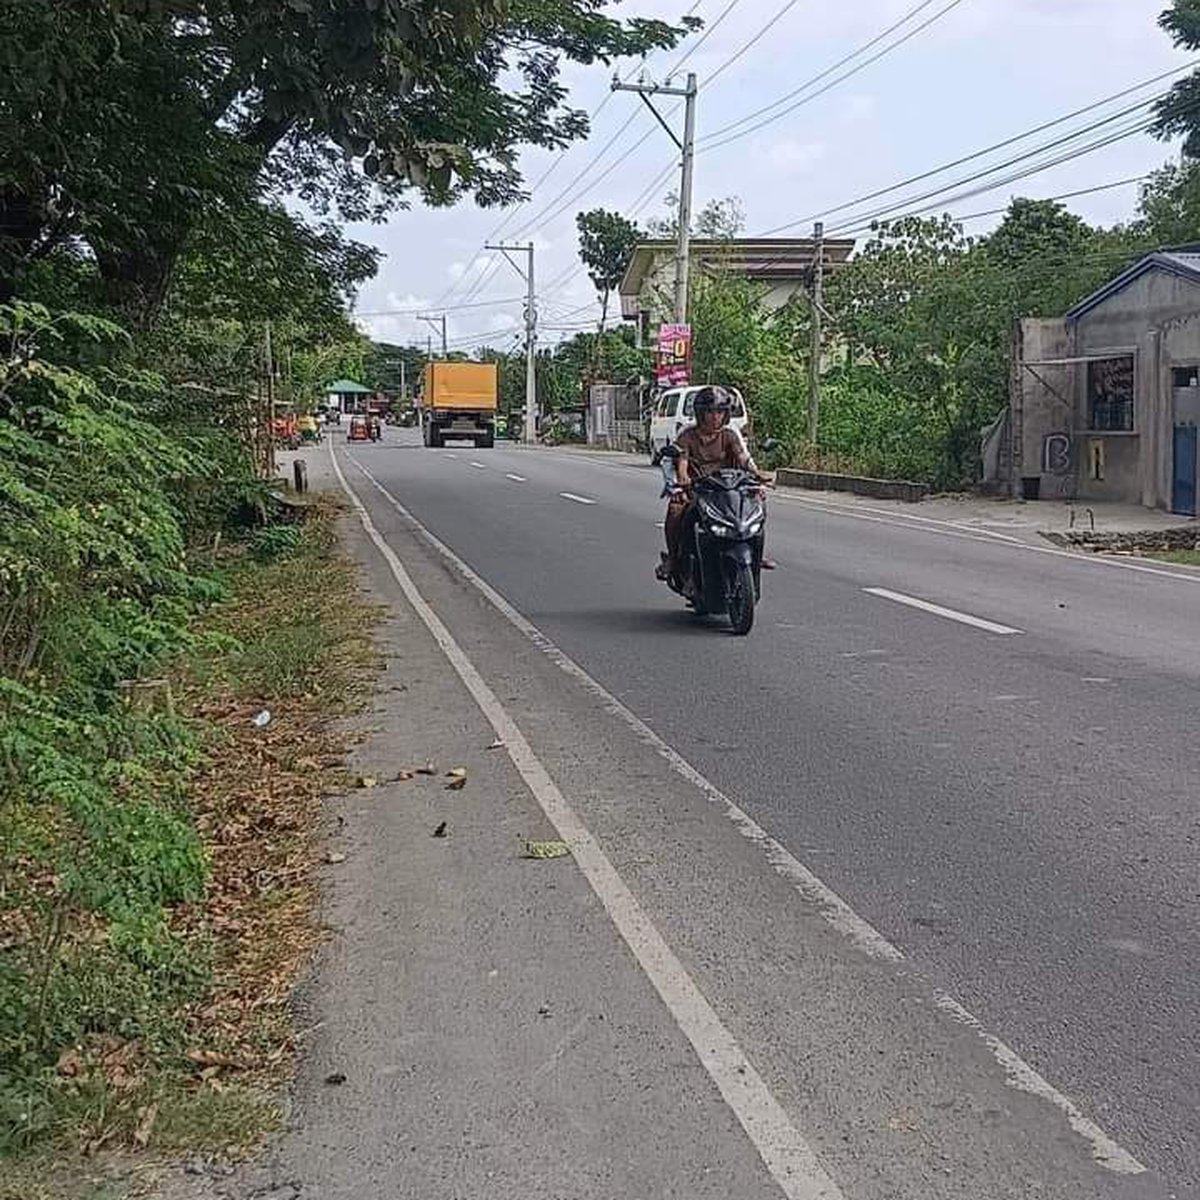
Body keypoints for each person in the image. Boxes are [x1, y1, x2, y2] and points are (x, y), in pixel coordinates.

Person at [657, 386, 767, 582]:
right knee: (675, 510)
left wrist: (757, 474)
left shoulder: (730, 435)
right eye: (710, 412)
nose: (715, 417)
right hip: (699, 490)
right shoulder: (688, 435)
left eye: (720, 412)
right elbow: (682, 461)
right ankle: (674, 559)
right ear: (701, 414)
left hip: (729, 489)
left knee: (758, 503)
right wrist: (682, 481)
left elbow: (743, 458)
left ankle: (755, 554)